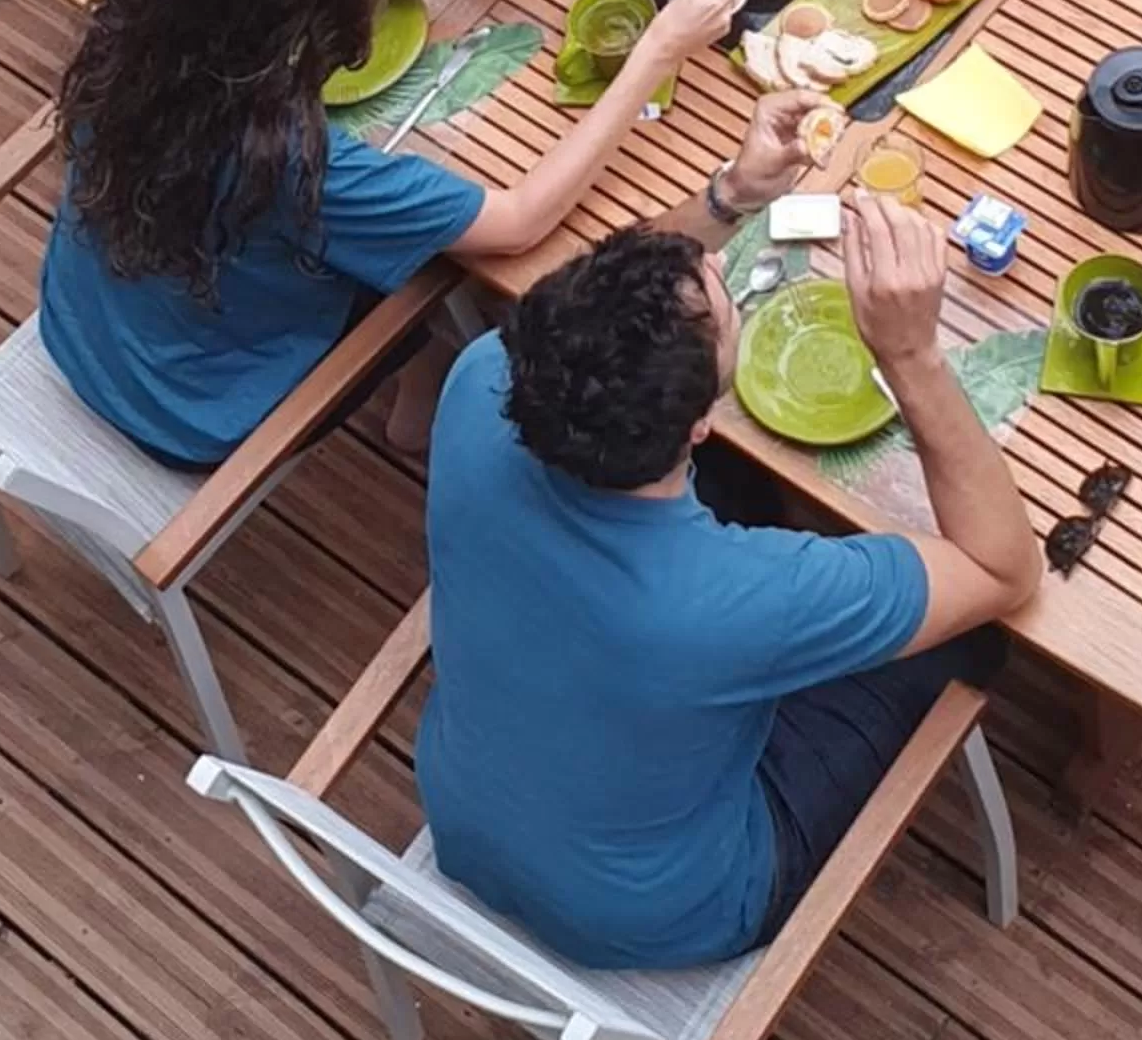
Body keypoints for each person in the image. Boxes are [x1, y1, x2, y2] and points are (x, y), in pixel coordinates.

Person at [417, 164, 1042, 972]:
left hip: (469, 814)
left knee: (751, 491)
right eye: (721, 302)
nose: (712, 265)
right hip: (668, 909)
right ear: (698, 427)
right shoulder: (729, 598)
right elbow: (1001, 568)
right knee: (974, 638)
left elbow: (591, 301)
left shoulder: (479, 381)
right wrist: (912, 352)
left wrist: (727, 197)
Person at [40, 0, 749, 466]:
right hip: (194, 406)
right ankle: (414, 417)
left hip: (84, 320)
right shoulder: (286, 157)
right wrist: (657, 49)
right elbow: (520, 219)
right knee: (452, 282)